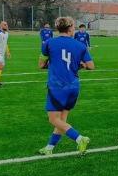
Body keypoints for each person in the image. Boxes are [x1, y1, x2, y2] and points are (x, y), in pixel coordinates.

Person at [37, 17, 94, 155]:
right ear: (70, 28)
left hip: (57, 87)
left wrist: (52, 64)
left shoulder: (48, 43)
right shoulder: (80, 45)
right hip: (74, 86)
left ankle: (80, 138)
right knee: (62, 120)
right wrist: (80, 65)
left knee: (53, 119)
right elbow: (91, 66)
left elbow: (41, 65)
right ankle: (49, 148)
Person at [0, 21, 11, 88]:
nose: (6, 26)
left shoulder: (7, 33)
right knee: (0, 66)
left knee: (1, 67)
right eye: (4, 25)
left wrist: (8, 52)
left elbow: (5, 43)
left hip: (2, 54)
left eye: (6, 24)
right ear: (0, 26)